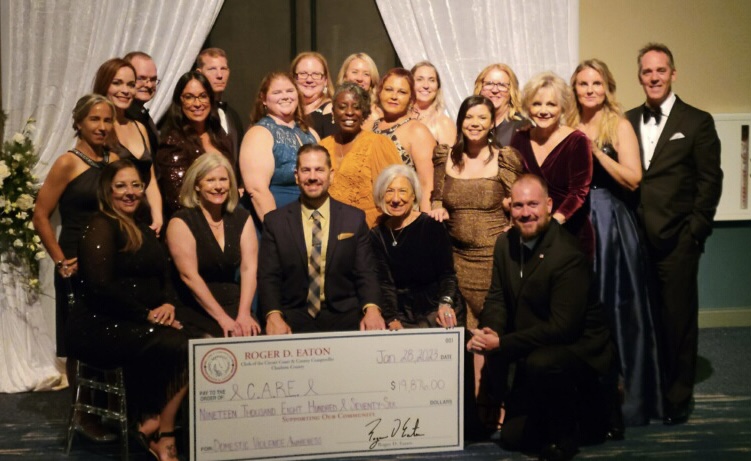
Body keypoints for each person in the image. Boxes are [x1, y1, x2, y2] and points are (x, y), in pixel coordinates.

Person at [469, 174, 614, 461]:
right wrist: (490, 331)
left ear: (548, 205)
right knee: (513, 439)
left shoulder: (566, 254)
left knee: (541, 364)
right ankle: (563, 417)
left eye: (533, 204)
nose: (526, 213)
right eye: (519, 205)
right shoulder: (504, 244)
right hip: (535, 347)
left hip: (577, 352)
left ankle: (569, 436)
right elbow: (497, 298)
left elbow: (563, 328)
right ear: (509, 207)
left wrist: (503, 344)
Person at [66, 160, 191, 460]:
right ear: (107, 190)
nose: (130, 192)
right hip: (103, 325)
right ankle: (161, 429)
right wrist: (146, 315)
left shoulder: (141, 227)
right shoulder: (101, 225)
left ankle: (152, 423)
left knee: (203, 342)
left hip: (140, 318)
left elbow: (164, 276)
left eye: (136, 185)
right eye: (121, 186)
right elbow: (100, 287)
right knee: (182, 345)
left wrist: (168, 305)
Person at [625, 43, 723, 426]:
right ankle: (650, 393)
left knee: (678, 322)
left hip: (679, 240)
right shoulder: (628, 120)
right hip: (636, 239)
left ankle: (678, 397)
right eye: (647, 71)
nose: (653, 77)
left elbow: (709, 182)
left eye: (660, 70)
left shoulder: (697, 121)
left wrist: (696, 232)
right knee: (644, 320)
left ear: (673, 74)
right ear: (640, 76)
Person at [569, 58, 662, 428]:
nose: (590, 90)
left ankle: (626, 402)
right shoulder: (566, 123)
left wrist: (594, 153)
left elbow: (633, 178)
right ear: (573, 88)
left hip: (608, 222)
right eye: (582, 84)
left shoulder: (619, 125)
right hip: (573, 222)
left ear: (607, 87)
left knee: (617, 311)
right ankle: (581, 401)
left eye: (596, 83)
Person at [430, 95, 523, 434]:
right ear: (460, 120)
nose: (474, 123)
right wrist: (437, 206)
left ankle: (496, 400)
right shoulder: (445, 157)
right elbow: (435, 195)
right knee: (466, 335)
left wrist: (512, 220)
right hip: (455, 259)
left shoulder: (506, 158)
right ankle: (474, 406)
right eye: (469, 117)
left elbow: (520, 201)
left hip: (494, 260)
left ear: (491, 123)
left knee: (494, 331)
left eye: (482, 118)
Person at [32, 94, 120, 441]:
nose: (102, 126)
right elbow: (40, 215)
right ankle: (84, 415)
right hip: (76, 263)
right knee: (81, 342)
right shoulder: (67, 163)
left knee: (109, 339)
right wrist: (60, 260)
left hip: (110, 261)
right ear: (79, 123)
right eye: (95, 120)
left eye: (107, 120)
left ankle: (110, 409)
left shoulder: (114, 160)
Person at [257, 144, 386, 333]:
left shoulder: (354, 218)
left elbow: (366, 272)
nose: (312, 177)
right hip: (293, 317)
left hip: (345, 316)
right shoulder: (275, 222)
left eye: (319, 170)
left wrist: (372, 310)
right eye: (305, 170)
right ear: (296, 176)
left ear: (331, 175)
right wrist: (273, 315)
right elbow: (269, 276)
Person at [167, 153, 261, 338]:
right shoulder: (181, 221)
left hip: (233, 300)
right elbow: (189, 276)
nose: (218, 186)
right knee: (217, 338)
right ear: (197, 185)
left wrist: (244, 314)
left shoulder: (241, 218)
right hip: (195, 304)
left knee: (253, 335)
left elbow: (249, 268)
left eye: (223, 180)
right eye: (210, 180)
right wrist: (222, 318)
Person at [511, 71, 594, 260]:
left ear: (562, 107)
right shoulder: (519, 138)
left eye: (551, 104)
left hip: (570, 232)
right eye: (537, 104)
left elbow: (579, 192)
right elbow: (514, 185)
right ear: (528, 107)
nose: (543, 110)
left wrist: (552, 224)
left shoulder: (577, 140)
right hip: (529, 231)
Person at [369, 164, 464, 329]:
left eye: (403, 191)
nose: (396, 199)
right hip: (400, 313)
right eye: (389, 191)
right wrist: (392, 319)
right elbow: (385, 283)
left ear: (414, 195)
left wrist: (445, 304)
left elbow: (447, 275)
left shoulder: (431, 225)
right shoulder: (377, 234)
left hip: (436, 307)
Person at [93, 58, 163, 235]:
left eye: (131, 84)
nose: (125, 90)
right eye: (117, 83)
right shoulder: (98, 130)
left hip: (146, 221)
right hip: (114, 224)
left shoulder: (139, 127)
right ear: (104, 85)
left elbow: (151, 179)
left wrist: (157, 216)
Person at [239, 72, 319, 225]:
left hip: (310, 222)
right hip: (275, 222)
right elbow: (257, 190)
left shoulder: (311, 133)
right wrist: (278, 232)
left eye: (290, 91)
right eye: (277, 92)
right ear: (263, 99)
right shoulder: (259, 133)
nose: (285, 96)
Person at [156, 71, 234, 221]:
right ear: (179, 101)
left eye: (203, 96)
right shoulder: (173, 142)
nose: (197, 104)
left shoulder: (219, 136)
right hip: (192, 223)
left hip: (225, 218)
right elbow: (178, 199)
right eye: (189, 97)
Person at [320, 82, 401, 227]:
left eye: (356, 107)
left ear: (364, 113)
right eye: (342, 107)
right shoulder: (322, 147)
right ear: (333, 112)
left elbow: (394, 194)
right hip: (328, 230)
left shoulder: (378, 143)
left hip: (369, 231)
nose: (349, 112)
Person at [368, 67, 436, 212]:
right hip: (371, 216)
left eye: (402, 92)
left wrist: (425, 225)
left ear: (411, 98)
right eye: (389, 89)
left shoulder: (417, 131)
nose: (394, 96)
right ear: (380, 92)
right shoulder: (370, 127)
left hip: (404, 216)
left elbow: (427, 184)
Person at [196, 47, 245, 157]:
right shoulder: (195, 113)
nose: (219, 75)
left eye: (223, 69)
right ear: (200, 73)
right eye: (212, 69)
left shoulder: (233, 115)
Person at [473, 63, 528, 147]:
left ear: (512, 91)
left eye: (502, 85)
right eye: (489, 84)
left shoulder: (523, 127)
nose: (495, 90)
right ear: (480, 88)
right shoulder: (470, 124)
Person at [291, 51, 337, 138]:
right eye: (303, 74)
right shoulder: (287, 109)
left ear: (325, 81)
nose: (309, 80)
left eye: (316, 74)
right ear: (293, 78)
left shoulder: (330, 110)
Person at [410, 61, 456, 146]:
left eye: (431, 80)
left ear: (438, 86)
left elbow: (449, 159)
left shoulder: (443, 123)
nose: (426, 85)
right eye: (419, 79)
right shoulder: (401, 116)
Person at [123, 51, 159, 155]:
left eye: (153, 79)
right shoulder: (118, 117)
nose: (148, 85)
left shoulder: (142, 114)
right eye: (140, 78)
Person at [336, 52, 382, 121]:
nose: (360, 78)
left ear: (372, 81)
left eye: (366, 74)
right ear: (344, 76)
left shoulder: (376, 114)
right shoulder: (333, 107)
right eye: (355, 72)